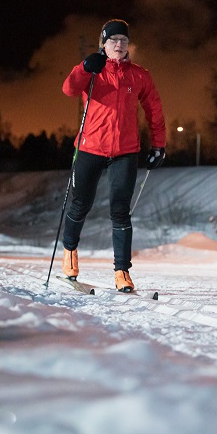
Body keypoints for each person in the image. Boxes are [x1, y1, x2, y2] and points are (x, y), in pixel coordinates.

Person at [61, 19, 167, 292]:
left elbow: (153, 109)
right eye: (113, 40)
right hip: (89, 148)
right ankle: (69, 254)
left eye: (123, 40)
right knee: (79, 205)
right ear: (103, 44)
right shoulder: (93, 70)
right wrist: (84, 66)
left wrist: (159, 145)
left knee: (121, 212)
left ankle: (122, 272)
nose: (118, 45)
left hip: (125, 151)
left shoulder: (139, 75)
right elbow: (69, 89)